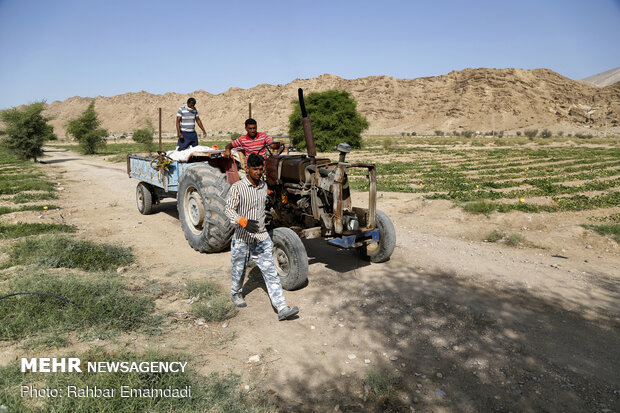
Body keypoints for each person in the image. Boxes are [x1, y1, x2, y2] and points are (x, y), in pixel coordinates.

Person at [224, 153, 299, 321]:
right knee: (239, 270)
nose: (258, 172)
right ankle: (236, 294)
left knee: (271, 272)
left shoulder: (264, 186)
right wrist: (242, 221)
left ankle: (281, 308)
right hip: (242, 237)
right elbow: (228, 210)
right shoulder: (237, 188)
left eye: (260, 169)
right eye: (255, 169)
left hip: (261, 237)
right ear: (247, 169)